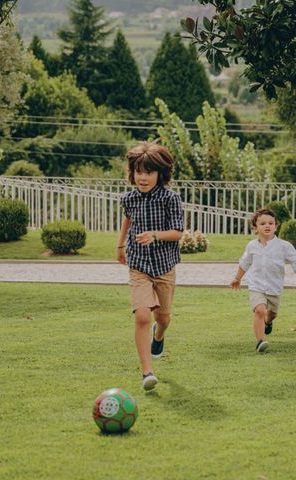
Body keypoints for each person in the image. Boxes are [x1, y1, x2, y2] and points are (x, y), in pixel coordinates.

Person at [116, 141, 184, 391]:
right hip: (138, 264)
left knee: (163, 318)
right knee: (142, 315)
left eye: (149, 172)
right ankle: (147, 372)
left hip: (165, 265)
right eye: (138, 172)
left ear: (161, 174)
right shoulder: (129, 198)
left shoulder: (170, 198)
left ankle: (160, 333)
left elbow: (178, 231)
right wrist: (120, 245)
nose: (143, 178)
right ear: (132, 173)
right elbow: (128, 219)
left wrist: (155, 235)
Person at [230, 208, 296, 352]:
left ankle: (268, 322)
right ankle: (261, 341)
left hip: (274, 288)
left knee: (271, 314)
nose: (267, 226)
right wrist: (237, 278)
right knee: (260, 311)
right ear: (255, 227)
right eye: (263, 223)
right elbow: (244, 263)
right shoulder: (252, 246)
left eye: (271, 223)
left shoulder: (284, 246)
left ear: (276, 226)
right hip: (257, 286)